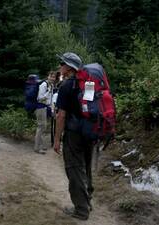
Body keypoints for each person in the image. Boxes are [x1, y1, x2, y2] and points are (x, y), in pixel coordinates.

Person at [53, 52, 94, 220]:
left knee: (74, 169)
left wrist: (57, 139)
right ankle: (87, 201)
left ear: (69, 67)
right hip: (90, 131)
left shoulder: (66, 86)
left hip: (74, 134)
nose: (59, 66)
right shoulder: (89, 83)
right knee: (86, 167)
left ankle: (81, 210)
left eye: (62, 63)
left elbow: (61, 116)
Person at [34, 71, 57, 154]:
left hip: (46, 108)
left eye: (54, 77)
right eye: (51, 76)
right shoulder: (44, 85)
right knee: (40, 127)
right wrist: (48, 91)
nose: (52, 78)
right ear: (48, 76)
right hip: (40, 107)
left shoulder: (51, 85)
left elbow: (50, 100)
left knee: (44, 127)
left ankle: (42, 145)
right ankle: (37, 148)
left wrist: (52, 109)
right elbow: (40, 98)